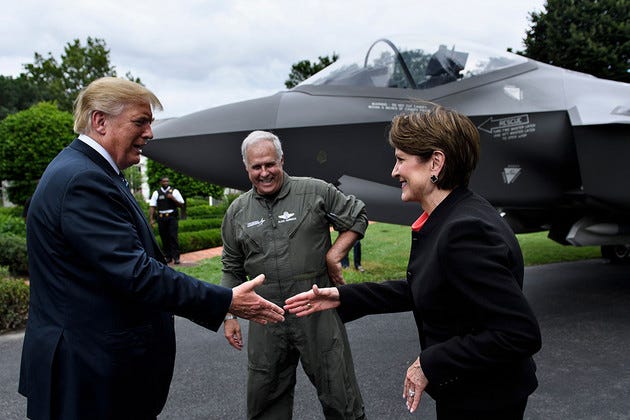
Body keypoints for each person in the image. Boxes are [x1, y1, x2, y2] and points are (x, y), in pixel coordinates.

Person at [18, 77, 285, 420]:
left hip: (93, 374)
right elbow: (137, 273)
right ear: (100, 121)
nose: (150, 133)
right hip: (87, 379)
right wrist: (226, 300)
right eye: (140, 121)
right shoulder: (83, 180)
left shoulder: (90, 172)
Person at [285, 106, 542, 420]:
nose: (394, 172)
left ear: (435, 162)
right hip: (478, 392)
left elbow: (518, 333)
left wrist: (429, 363)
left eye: (401, 160)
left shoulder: (464, 231)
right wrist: (343, 296)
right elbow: (430, 286)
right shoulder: (458, 214)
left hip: (485, 399)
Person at [221, 130, 367, 419]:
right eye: (256, 167)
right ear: (246, 168)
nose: (264, 173)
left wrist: (333, 255)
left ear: (282, 160)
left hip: (316, 311)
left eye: (270, 164)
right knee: (265, 399)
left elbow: (357, 216)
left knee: (340, 395)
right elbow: (231, 266)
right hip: (266, 316)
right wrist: (229, 315)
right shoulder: (237, 211)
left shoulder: (314, 191)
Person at [149, 176, 184, 264]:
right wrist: (151, 219)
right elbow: (152, 206)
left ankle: (176, 257)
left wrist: (173, 198)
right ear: (161, 182)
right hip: (161, 217)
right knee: (164, 237)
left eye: (167, 181)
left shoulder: (174, 191)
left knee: (173, 236)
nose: (166, 183)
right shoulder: (156, 193)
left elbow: (181, 204)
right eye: (164, 181)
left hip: (172, 217)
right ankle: (168, 257)